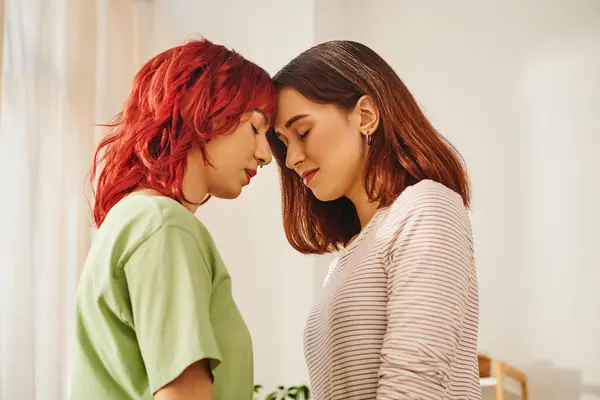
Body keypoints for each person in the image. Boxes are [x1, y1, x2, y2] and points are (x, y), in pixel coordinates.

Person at [269, 40, 481, 399]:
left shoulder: (427, 206)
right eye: (284, 141)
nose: (291, 158)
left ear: (366, 116)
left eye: (303, 132)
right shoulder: (350, 256)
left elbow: (416, 383)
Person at [70, 39, 276, 400]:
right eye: (256, 128)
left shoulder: (136, 218)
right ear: (206, 112)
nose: (265, 155)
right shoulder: (164, 225)